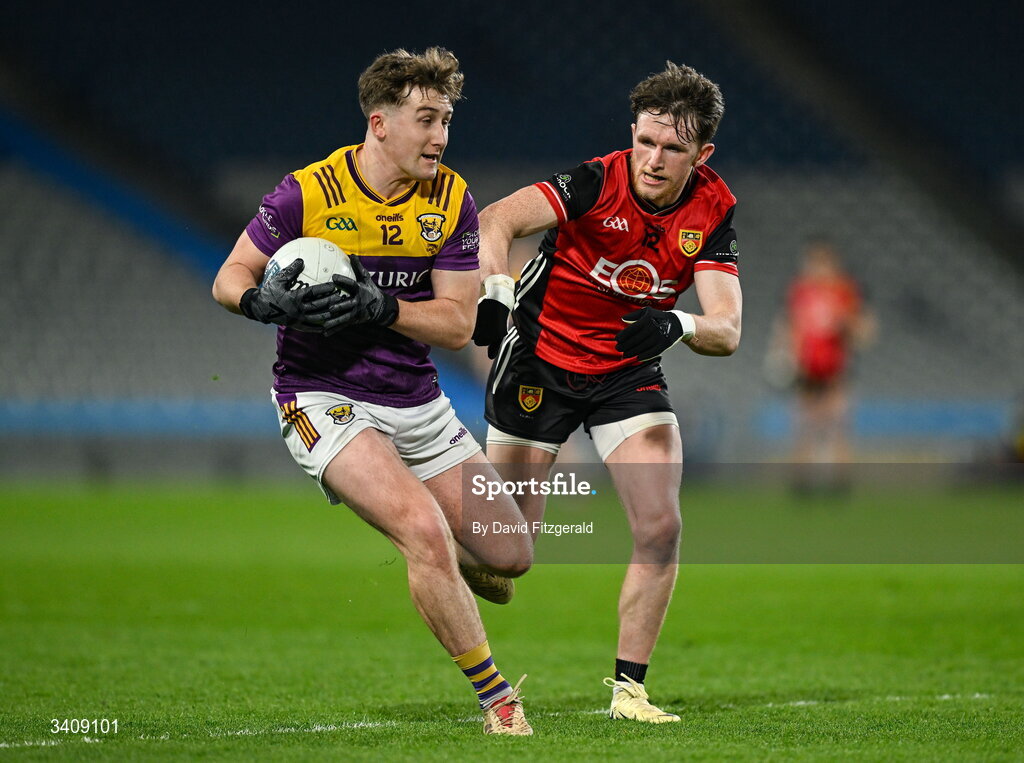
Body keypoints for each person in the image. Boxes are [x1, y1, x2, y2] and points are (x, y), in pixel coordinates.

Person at [211, 47, 533, 735]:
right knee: (421, 529)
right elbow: (229, 276)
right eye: (427, 119)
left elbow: (457, 323)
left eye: (446, 119)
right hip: (319, 394)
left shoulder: (451, 199)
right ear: (379, 121)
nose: (441, 136)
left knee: (511, 554)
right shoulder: (308, 191)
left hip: (415, 399)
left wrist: (380, 308)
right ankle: (499, 700)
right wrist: (261, 303)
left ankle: (430, 543)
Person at [472, 61, 742, 723]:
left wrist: (674, 323)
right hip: (539, 359)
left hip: (627, 372)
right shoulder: (594, 180)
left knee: (661, 525)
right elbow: (497, 220)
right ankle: (438, 532)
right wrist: (495, 294)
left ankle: (630, 691)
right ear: (632, 133)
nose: (653, 159)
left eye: (672, 147)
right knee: (508, 558)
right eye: (645, 140)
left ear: (701, 153)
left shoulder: (713, 206)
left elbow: (727, 328)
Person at [770, 236, 875, 489]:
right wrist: (782, 354)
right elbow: (787, 325)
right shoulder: (800, 290)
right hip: (806, 367)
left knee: (837, 425)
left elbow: (864, 330)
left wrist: (846, 325)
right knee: (804, 425)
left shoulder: (845, 290)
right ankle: (801, 483)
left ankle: (840, 483)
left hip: (836, 367)